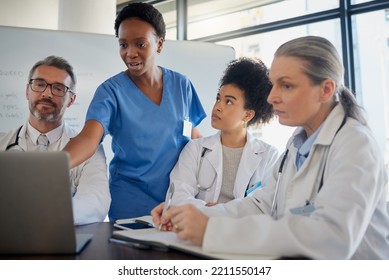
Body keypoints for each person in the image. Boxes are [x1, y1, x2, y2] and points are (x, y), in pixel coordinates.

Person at [152, 36, 389, 259]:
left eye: (286, 86)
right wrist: (188, 216)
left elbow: (332, 237)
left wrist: (211, 231)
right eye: (273, 85)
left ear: (325, 90)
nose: (271, 97)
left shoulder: (355, 144)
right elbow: (260, 205)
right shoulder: (297, 146)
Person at [62, 2, 206, 221]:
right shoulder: (111, 92)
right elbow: (88, 139)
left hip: (178, 200)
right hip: (130, 201)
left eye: (140, 44)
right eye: (123, 45)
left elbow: (194, 139)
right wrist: (51, 167)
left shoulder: (181, 85)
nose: (130, 53)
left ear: (159, 44)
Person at [0, 55, 110, 225]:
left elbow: (96, 202)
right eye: (39, 84)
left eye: (58, 89)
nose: (47, 93)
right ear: (27, 91)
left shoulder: (90, 149)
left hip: (63, 238)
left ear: (71, 100)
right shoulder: (2, 144)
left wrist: (45, 215)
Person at [170, 57, 278, 207]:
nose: (218, 106)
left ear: (247, 115)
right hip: (200, 227)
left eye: (229, 102)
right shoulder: (195, 149)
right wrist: (213, 212)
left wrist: (221, 211)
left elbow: (268, 205)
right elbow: (177, 197)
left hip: (243, 230)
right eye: (218, 98)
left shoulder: (269, 155)